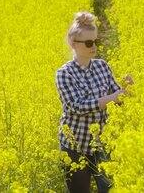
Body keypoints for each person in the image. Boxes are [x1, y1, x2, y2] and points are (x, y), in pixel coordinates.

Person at [55, 11, 133, 193]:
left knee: (110, 189)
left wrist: (127, 91)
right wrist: (111, 98)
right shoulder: (64, 73)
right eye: (89, 43)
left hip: (102, 143)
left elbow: (117, 99)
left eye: (96, 41)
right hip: (75, 146)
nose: (94, 46)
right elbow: (77, 106)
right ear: (73, 44)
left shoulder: (102, 66)